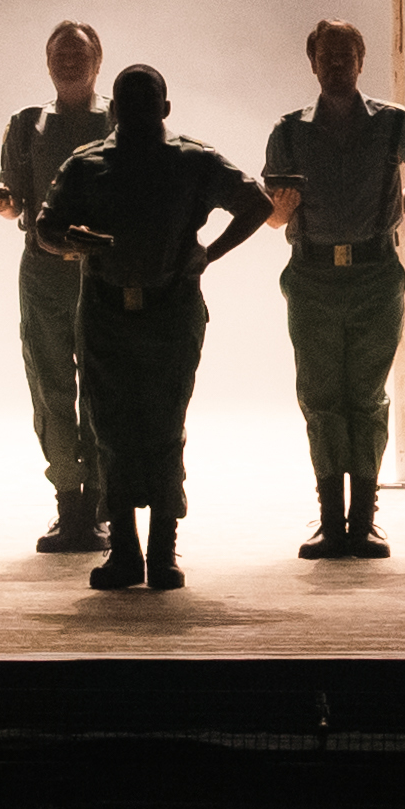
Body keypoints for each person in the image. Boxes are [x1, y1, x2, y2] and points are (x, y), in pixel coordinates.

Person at [36, 64, 272, 590]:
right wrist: (74, 239)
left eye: (149, 102)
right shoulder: (88, 164)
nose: (141, 112)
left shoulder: (192, 160)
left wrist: (209, 254)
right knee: (113, 432)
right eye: (132, 102)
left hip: (168, 311)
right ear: (117, 110)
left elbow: (257, 204)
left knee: (162, 430)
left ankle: (161, 552)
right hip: (107, 312)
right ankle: (127, 552)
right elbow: (45, 230)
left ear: (163, 108)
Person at [264, 19, 405, 561]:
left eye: (346, 55)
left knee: (365, 398)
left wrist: (398, 210)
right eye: (326, 55)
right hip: (314, 275)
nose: (336, 64)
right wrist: (281, 209)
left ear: (361, 61)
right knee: (320, 398)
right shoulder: (289, 131)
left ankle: (364, 520)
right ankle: (329, 521)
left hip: (372, 273)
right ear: (311, 61)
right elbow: (272, 215)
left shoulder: (390, 124)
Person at [0, 21, 114, 553]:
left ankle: (99, 505)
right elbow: (17, 198)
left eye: (78, 53)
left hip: (100, 270)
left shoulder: (119, 118)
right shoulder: (26, 124)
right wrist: (1, 204)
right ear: (46, 62)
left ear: (97, 60)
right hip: (44, 272)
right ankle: (67, 503)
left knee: (100, 388)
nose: (69, 62)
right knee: (50, 388)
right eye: (59, 54)